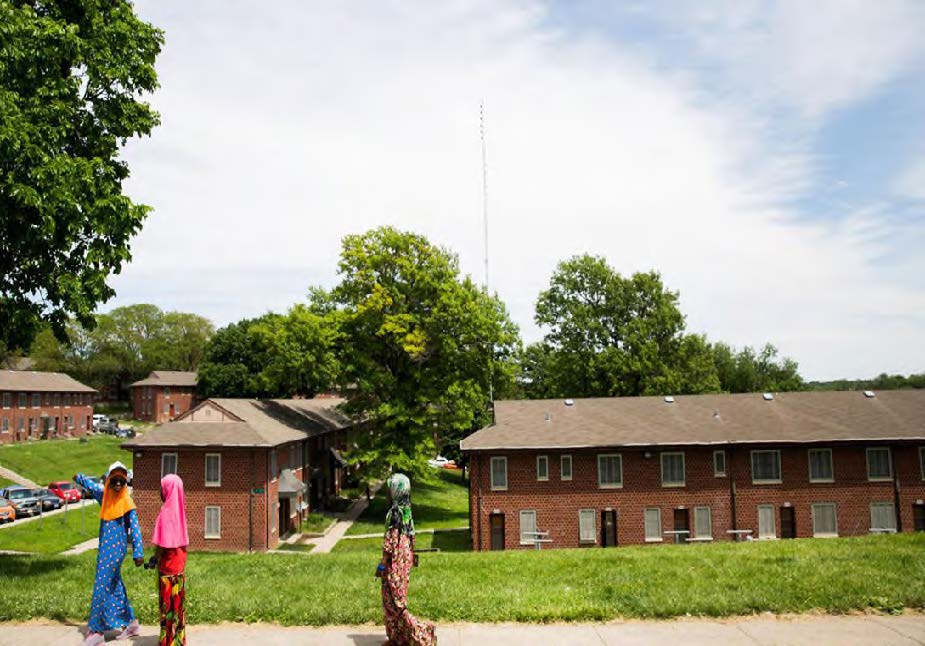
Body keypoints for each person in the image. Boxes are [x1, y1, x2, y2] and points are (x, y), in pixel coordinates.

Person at [74, 462, 144, 646]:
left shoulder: (127, 503)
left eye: (122, 480)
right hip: (104, 549)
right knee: (114, 586)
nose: (118, 483)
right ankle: (131, 624)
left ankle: (96, 631)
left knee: (101, 586)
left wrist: (138, 551)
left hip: (115, 551)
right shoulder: (104, 495)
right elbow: (91, 485)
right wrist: (79, 477)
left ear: (126, 481)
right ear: (109, 480)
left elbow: (135, 529)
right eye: (115, 480)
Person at [377, 473, 436, 646]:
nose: (387, 492)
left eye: (389, 488)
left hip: (394, 561)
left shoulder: (395, 512)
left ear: (396, 491)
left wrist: (382, 564)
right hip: (404, 559)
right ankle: (397, 638)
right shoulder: (406, 509)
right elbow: (412, 536)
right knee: (391, 599)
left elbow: (391, 540)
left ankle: (423, 635)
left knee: (395, 602)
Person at [150, 474, 189, 646]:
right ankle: (179, 640)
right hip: (179, 570)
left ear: (168, 490)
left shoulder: (166, 513)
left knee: (166, 608)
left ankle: (167, 642)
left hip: (167, 570)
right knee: (178, 607)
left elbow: (163, 544)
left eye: (162, 487)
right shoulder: (181, 512)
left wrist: (154, 558)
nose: (160, 490)